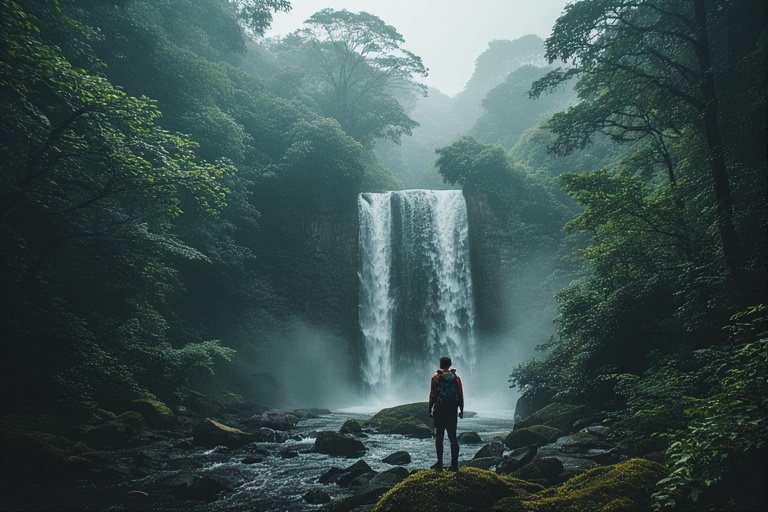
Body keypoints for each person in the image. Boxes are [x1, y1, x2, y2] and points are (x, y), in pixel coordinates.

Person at [428, 356, 464, 471]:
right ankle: (454, 465)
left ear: (440, 364)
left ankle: (439, 464)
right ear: (450, 364)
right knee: (453, 437)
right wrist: (461, 410)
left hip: (440, 409)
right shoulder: (455, 377)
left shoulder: (436, 377)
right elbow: (460, 394)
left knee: (439, 436)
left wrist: (430, 408)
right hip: (452, 409)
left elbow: (433, 395)